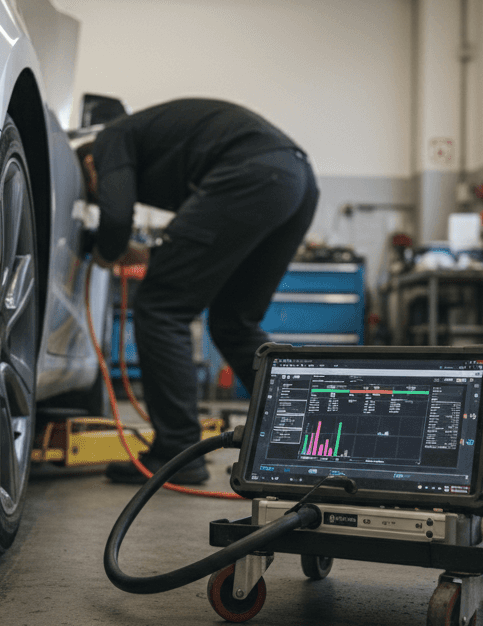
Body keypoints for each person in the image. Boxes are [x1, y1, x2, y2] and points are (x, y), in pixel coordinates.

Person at [78, 97, 318, 484]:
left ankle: (178, 452)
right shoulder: (160, 145)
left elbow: (117, 217)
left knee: (160, 307)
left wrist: (107, 250)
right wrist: (142, 253)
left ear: (91, 165)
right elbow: (200, 245)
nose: (99, 193)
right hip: (297, 181)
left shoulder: (110, 140)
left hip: (254, 175)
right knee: (234, 322)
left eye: (94, 191)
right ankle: (308, 436)